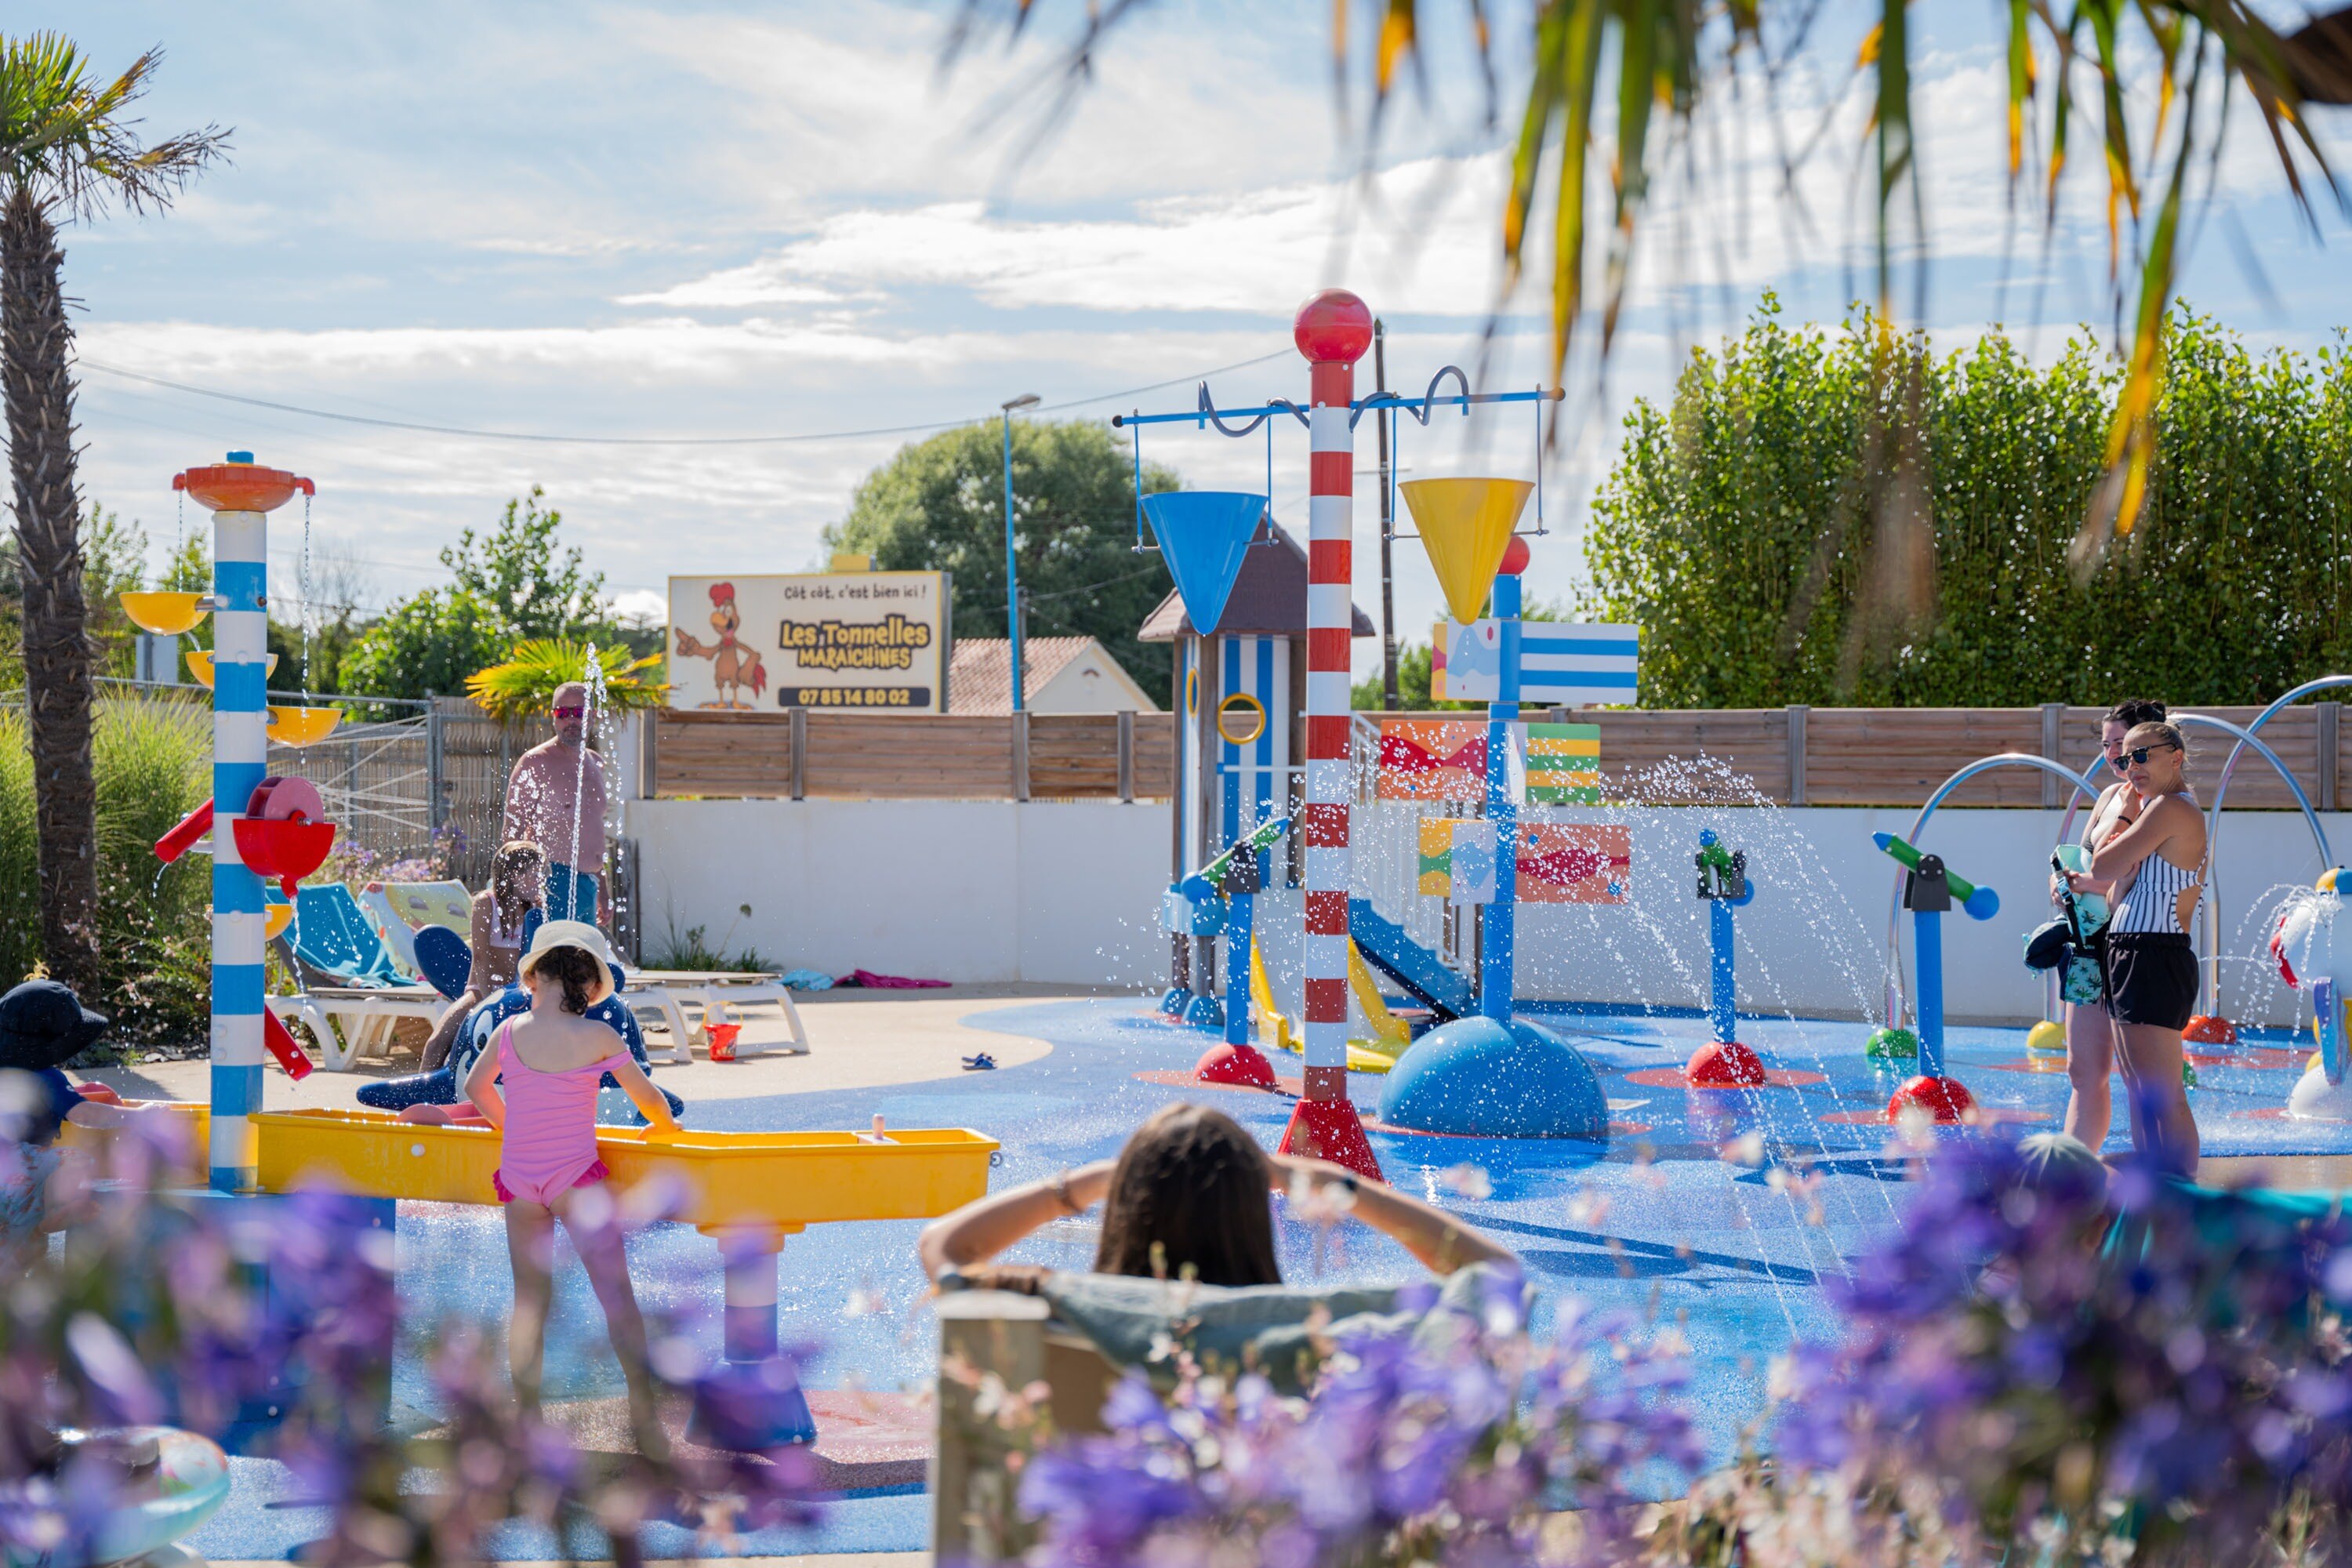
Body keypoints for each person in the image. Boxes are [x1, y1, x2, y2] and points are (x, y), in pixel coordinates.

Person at [463, 920, 681, 1445]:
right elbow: (650, 1099)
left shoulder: (508, 1032)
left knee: (529, 1305)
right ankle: (644, 1415)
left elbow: (475, 1087)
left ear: (533, 978)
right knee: (617, 1298)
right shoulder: (598, 1036)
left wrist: (511, 1128)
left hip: (519, 1182)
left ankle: (527, 1420)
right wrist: (666, 1129)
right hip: (576, 1182)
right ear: (590, 986)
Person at [917, 1102, 1515, 1287]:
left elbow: (943, 1246)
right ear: (1254, 1213)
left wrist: (1092, 1180)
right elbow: (1495, 1274)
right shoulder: (1307, 1331)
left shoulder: (1066, 1310)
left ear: (1126, 1206)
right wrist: (1328, 1181)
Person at [2068, 719, 2207, 1174]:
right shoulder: (2157, 810)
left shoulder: (2170, 809)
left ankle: (2183, 1193)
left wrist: (2125, 819)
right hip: (2131, 952)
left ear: (2176, 757)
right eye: (2127, 758)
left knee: (2162, 1092)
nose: (2132, 767)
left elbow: (2103, 865)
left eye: (2142, 755)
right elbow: (2114, 892)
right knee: (2140, 1088)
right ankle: (2154, 1186)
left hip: (2155, 953)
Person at [2056, 699, 2170, 1149]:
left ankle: (2155, 1173)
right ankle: (2074, 1166)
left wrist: (2086, 882)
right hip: (2087, 944)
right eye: (2106, 745)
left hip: (2130, 946)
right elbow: (2086, 860)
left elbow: (2126, 871)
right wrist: (2063, 883)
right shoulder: (2107, 796)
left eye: (2121, 744)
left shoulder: (2158, 803)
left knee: (2139, 1075)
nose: (2113, 755)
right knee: (2082, 1071)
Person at [419, 840, 546, 1073]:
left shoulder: (534, 909)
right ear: (513, 875)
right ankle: (422, 1094)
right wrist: (490, 1001)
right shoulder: (487, 903)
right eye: (533, 874)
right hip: (482, 990)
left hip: (519, 992)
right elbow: (480, 958)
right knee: (436, 1043)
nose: (539, 880)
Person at [502, 681, 608, 926]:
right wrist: (514, 891)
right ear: (553, 716)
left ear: (592, 715)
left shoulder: (596, 763)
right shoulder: (536, 761)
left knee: (583, 952)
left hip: (589, 884)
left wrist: (602, 887)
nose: (571, 720)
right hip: (552, 881)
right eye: (563, 713)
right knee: (555, 951)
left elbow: (595, 831)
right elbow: (512, 831)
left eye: (579, 712)